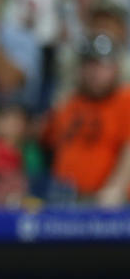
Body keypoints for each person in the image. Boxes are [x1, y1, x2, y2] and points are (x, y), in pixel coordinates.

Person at [42, 34, 130, 206]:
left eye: (102, 65)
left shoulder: (124, 100)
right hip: (65, 199)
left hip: (108, 201)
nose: (94, 72)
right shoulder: (69, 104)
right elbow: (47, 140)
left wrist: (117, 187)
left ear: (115, 68)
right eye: (89, 64)